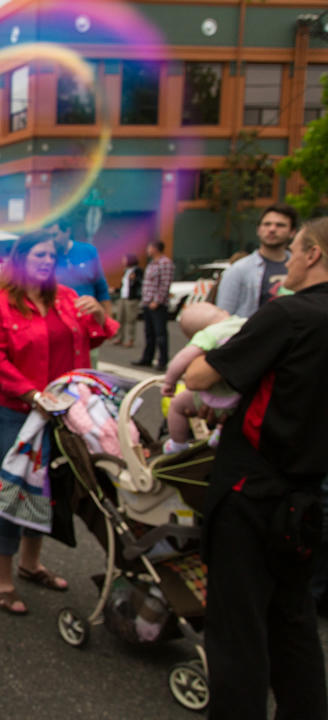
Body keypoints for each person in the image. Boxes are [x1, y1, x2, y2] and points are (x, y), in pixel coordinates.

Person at [184, 217, 328, 719]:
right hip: (308, 494)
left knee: (238, 631)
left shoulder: (288, 314)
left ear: (313, 255)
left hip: (251, 492)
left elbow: (203, 373)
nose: (286, 259)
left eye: (294, 249)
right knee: (294, 620)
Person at [0, 233, 117, 615]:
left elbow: (95, 337)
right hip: (15, 411)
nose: (46, 261)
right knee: (15, 488)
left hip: (62, 411)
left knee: (48, 486)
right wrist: (33, 396)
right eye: (38, 254)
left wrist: (101, 318)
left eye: (51, 256)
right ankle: (1, 580)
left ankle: (30, 563)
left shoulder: (69, 299)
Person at [160, 302, 245, 454]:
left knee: (177, 405)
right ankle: (219, 433)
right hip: (243, 394)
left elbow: (182, 358)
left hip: (220, 397)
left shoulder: (209, 334)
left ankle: (178, 444)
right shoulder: (244, 323)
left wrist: (169, 382)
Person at [214, 203, 299, 318]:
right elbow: (222, 316)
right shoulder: (238, 270)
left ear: (292, 232)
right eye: (267, 224)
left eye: (280, 225)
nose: (272, 229)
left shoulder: (300, 267)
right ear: (258, 230)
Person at [47, 218, 112, 318]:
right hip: (60, 319)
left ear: (67, 231)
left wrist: (108, 320)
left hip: (88, 318)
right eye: (49, 236)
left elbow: (101, 289)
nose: (52, 240)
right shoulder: (47, 257)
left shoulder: (88, 251)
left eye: (55, 235)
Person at [134, 241, 174, 371]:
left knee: (160, 333)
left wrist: (157, 301)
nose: (147, 250)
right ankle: (147, 358)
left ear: (155, 249)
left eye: (149, 247)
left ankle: (162, 361)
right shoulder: (152, 263)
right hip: (147, 303)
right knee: (149, 333)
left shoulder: (165, 263)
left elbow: (165, 284)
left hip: (157, 304)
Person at [112, 254, 142, 348]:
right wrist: (116, 290)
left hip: (131, 299)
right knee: (119, 318)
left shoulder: (137, 270)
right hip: (123, 297)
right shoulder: (126, 271)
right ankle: (120, 337)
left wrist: (135, 279)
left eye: (124, 260)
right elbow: (124, 285)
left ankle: (130, 339)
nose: (123, 261)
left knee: (130, 320)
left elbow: (141, 282)